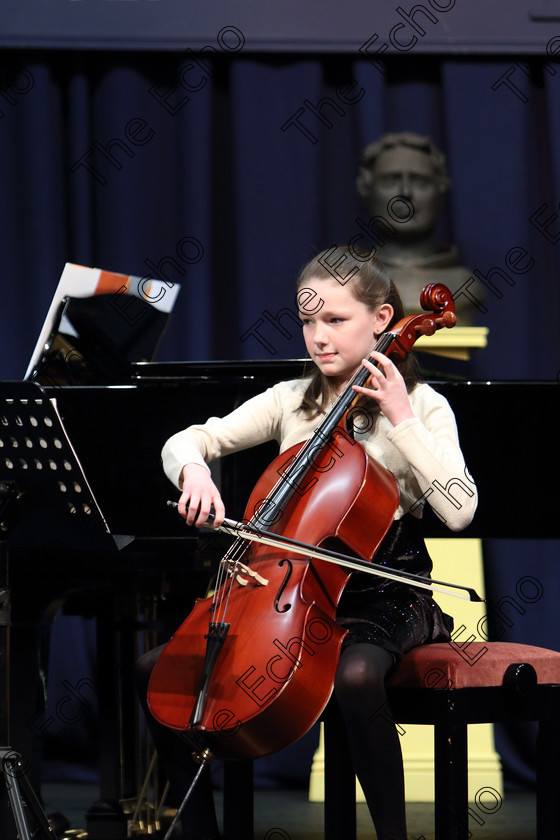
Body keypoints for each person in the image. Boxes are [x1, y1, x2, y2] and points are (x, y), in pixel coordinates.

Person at [137, 245, 477, 840]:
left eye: (335, 320)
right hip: (286, 593)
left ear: (381, 320)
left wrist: (400, 416)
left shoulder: (424, 406)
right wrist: (193, 471)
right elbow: (189, 440)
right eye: (308, 319)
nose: (318, 336)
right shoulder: (291, 401)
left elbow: (458, 509)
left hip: (384, 593)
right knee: (157, 672)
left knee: (357, 676)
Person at [356, 132, 478, 324]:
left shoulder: (465, 286)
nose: (405, 192)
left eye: (420, 182)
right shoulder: (353, 282)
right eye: (391, 181)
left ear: (441, 191)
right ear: (365, 189)